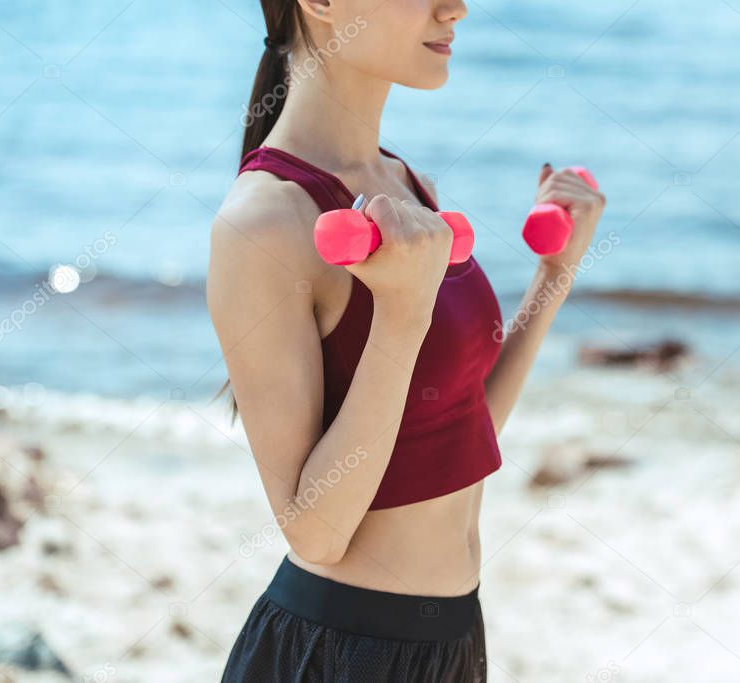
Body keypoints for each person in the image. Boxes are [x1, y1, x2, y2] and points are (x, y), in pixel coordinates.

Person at [206, 0, 606, 679]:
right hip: (343, 646)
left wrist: (554, 276)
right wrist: (401, 313)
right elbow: (315, 530)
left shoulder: (405, 184)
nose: (455, 8)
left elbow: (459, 427)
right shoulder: (262, 222)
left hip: (453, 640)